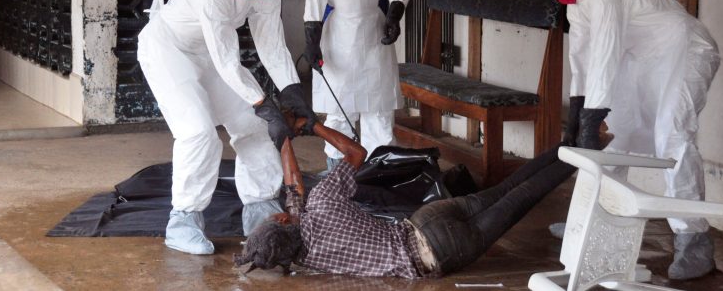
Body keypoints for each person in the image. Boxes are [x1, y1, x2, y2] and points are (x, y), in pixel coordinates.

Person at [538, 0, 720, 280]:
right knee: (616, 136)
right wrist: (576, 118)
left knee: (673, 135)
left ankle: (693, 239)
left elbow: (605, 54)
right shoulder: (578, 6)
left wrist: (591, 119)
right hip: (645, 60)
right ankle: (597, 214)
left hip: (686, 51)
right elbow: (582, 62)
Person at [137, 0, 317, 255]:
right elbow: (227, 61)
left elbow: (272, 46)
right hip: (168, 50)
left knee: (255, 126)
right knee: (198, 132)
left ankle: (259, 205)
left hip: (207, 54)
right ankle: (183, 219)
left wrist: (292, 91)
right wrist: (264, 103)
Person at [234, 118, 580, 278]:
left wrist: (283, 142)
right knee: (506, 190)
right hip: (424, 220)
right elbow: (355, 153)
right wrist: (310, 128)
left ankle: (581, 151)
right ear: (281, 220)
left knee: (521, 200)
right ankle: (571, 143)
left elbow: (294, 195)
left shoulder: (307, 262)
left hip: (437, 254)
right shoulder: (324, 202)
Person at [303, 0, 412, 168]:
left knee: (379, 109)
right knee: (340, 109)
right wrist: (311, 41)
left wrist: (393, 16)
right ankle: (337, 175)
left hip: (374, 31)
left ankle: (379, 176)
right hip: (338, 33)